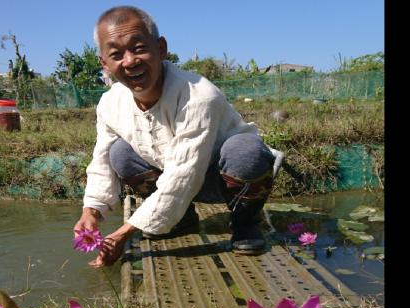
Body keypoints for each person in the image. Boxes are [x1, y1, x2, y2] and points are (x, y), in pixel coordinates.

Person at [74, 5, 281, 267]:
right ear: (104, 64)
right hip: (171, 171)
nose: (130, 61)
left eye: (139, 48)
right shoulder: (109, 103)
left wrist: (124, 233)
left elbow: (185, 174)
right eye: (116, 54)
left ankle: (246, 223)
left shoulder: (198, 95)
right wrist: (91, 211)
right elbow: (101, 160)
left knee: (245, 151)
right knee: (118, 152)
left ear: (161, 49)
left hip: (221, 179)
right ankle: (181, 219)